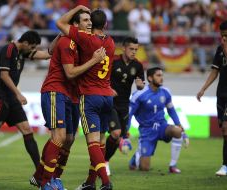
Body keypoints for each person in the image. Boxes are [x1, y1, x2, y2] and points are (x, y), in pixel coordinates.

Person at [30, 9, 106, 189]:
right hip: (56, 90)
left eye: (90, 21)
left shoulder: (82, 43)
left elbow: (50, 50)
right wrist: (94, 60)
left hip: (72, 96)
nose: (89, 23)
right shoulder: (67, 41)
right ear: (75, 25)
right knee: (59, 136)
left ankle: (50, 176)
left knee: (69, 139)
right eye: (85, 20)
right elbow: (70, 73)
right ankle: (45, 182)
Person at [0, 30, 58, 180]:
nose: (32, 50)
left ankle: (40, 173)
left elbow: (46, 54)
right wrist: (18, 93)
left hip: (12, 99)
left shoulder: (23, 52)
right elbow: (4, 76)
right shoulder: (8, 50)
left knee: (27, 130)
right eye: (32, 47)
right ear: (25, 43)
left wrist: (61, 34)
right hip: (1, 98)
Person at [57, 5, 115, 190]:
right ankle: (90, 182)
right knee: (102, 142)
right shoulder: (111, 42)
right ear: (105, 24)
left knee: (92, 142)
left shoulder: (86, 39)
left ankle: (106, 183)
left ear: (91, 24)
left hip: (90, 96)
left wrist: (79, 8)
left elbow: (60, 23)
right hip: (107, 97)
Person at [128, 67, 188, 172]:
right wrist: (125, 132)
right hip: (147, 130)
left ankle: (173, 166)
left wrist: (179, 125)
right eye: (158, 75)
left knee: (177, 131)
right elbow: (129, 114)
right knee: (144, 168)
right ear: (150, 78)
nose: (162, 78)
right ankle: (136, 157)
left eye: (162, 75)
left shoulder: (166, 92)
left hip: (162, 126)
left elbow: (171, 110)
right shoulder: (139, 95)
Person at [104, 37, 145, 176]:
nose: (134, 52)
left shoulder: (138, 66)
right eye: (131, 49)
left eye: (136, 50)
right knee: (115, 133)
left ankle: (104, 161)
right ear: (123, 48)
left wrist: (140, 86)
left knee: (117, 138)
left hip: (124, 106)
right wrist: (108, 88)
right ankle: (103, 163)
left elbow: (141, 84)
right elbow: (101, 78)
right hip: (109, 103)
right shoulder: (113, 61)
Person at [197, 21, 227, 176]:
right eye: (222, 35)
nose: (223, 39)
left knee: (226, 128)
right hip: (221, 94)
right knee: (224, 130)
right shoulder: (219, 50)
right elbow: (215, 71)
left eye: (226, 35)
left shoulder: (224, 49)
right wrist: (203, 88)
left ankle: (225, 165)